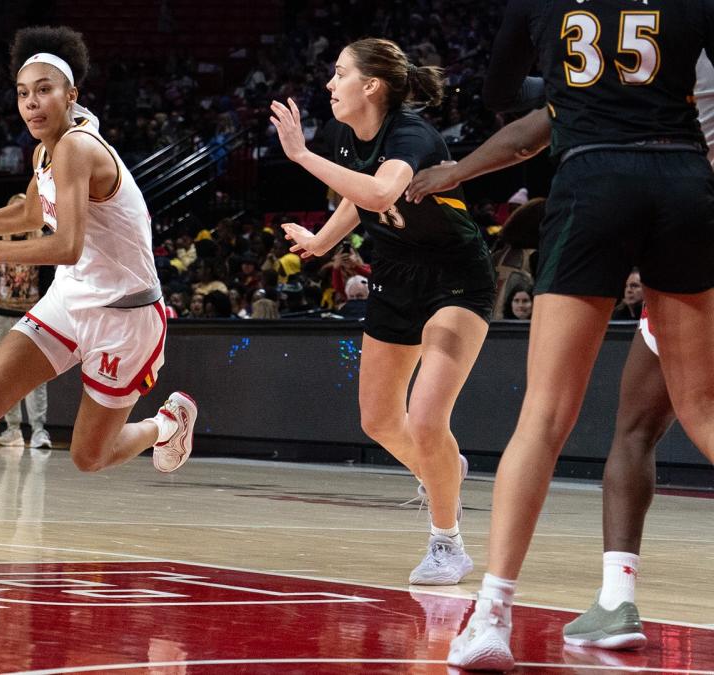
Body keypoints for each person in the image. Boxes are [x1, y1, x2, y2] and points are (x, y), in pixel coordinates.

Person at [445, 2, 714, 669]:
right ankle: (609, 598)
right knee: (704, 409)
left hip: (594, 177)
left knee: (544, 415)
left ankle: (492, 616)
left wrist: (568, 78)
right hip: (683, 179)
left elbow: (499, 92)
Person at [0, 26, 197, 566]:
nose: (31, 102)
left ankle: (165, 425)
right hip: (72, 300)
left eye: (44, 90)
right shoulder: (45, 153)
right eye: (23, 92)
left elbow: (67, 245)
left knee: (89, 457)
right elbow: (31, 213)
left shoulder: (77, 147)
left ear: (71, 95)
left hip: (126, 315)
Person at [274, 38, 495, 586]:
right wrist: (321, 242)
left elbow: (379, 193)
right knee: (377, 419)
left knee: (426, 418)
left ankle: (448, 545)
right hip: (396, 278)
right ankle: (442, 468)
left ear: (371, 85)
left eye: (339, 73)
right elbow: (356, 198)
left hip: (454, 276)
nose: (330, 84)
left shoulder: (412, 134)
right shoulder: (347, 135)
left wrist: (301, 156)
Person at [0, 192, 55, 449]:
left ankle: (39, 430)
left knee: (35, 374)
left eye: (24, 209)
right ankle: (12, 429)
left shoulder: (41, 242)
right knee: (2, 375)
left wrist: (49, 315)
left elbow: (48, 285)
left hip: (32, 314)